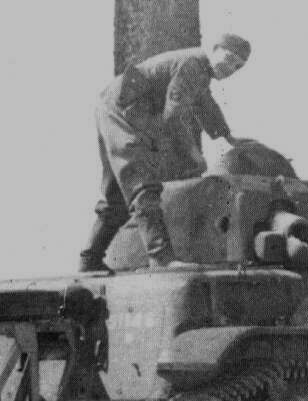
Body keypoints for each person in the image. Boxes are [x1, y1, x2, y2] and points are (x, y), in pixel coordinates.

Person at [78, 33, 251, 272]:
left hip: (117, 107)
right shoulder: (192, 64)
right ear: (214, 48)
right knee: (142, 182)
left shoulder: (200, 72)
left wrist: (226, 136)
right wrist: (193, 153)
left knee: (117, 196)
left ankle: (89, 259)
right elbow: (173, 117)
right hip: (123, 110)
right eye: (229, 58)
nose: (231, 68)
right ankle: (160, 257)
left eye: (238, 66)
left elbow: (205, 104)